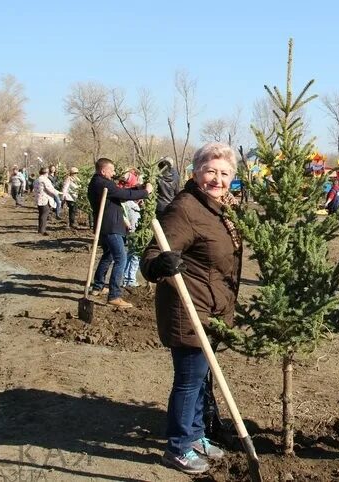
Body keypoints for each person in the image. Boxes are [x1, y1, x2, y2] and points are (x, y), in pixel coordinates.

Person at [140, 142, 243, 475]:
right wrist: (160, 265)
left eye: (224, 173)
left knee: (200, 379)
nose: (217, 179)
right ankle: (179, 447)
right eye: (210, 171)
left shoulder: (221, 207)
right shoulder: (185, 208)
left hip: (213, 308)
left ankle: (197, 436)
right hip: (190, 310)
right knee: (188, 380)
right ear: (196, 172)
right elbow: (152, 255)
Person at [87, 157, 152, 309]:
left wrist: (139, 188)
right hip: (111, 226)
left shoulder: (97, 182)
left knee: (108, 255)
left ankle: (98, 286)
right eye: (112, 170)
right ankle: (114, 295)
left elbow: (121, 192)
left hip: (104, 225)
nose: (114, 172)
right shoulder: (103, 183)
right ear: (104, 171)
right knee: (121, 258)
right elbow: (123, 195)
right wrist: (146, 192)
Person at [34, 167, 61, 235]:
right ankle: (42, 230)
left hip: (39, 199)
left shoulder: (37, 179)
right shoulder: (44, 180)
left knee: (41, 214)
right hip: (44, 199)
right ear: (46, 173)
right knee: (44, 215)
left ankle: (40, 229)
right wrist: (59, 192)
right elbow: (50, 189)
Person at [122, 198, 142, 287]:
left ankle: (127, 279)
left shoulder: (132, 204)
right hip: (133, 233)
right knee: (135, 256)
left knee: (131, 255)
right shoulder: (130, 204)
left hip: (133, 233)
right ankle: (130, 280)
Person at [156, 156, 181, 220]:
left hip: (158, 206)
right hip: (170, 204)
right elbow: (177, 192)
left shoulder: (158, 177)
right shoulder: (176, 176)